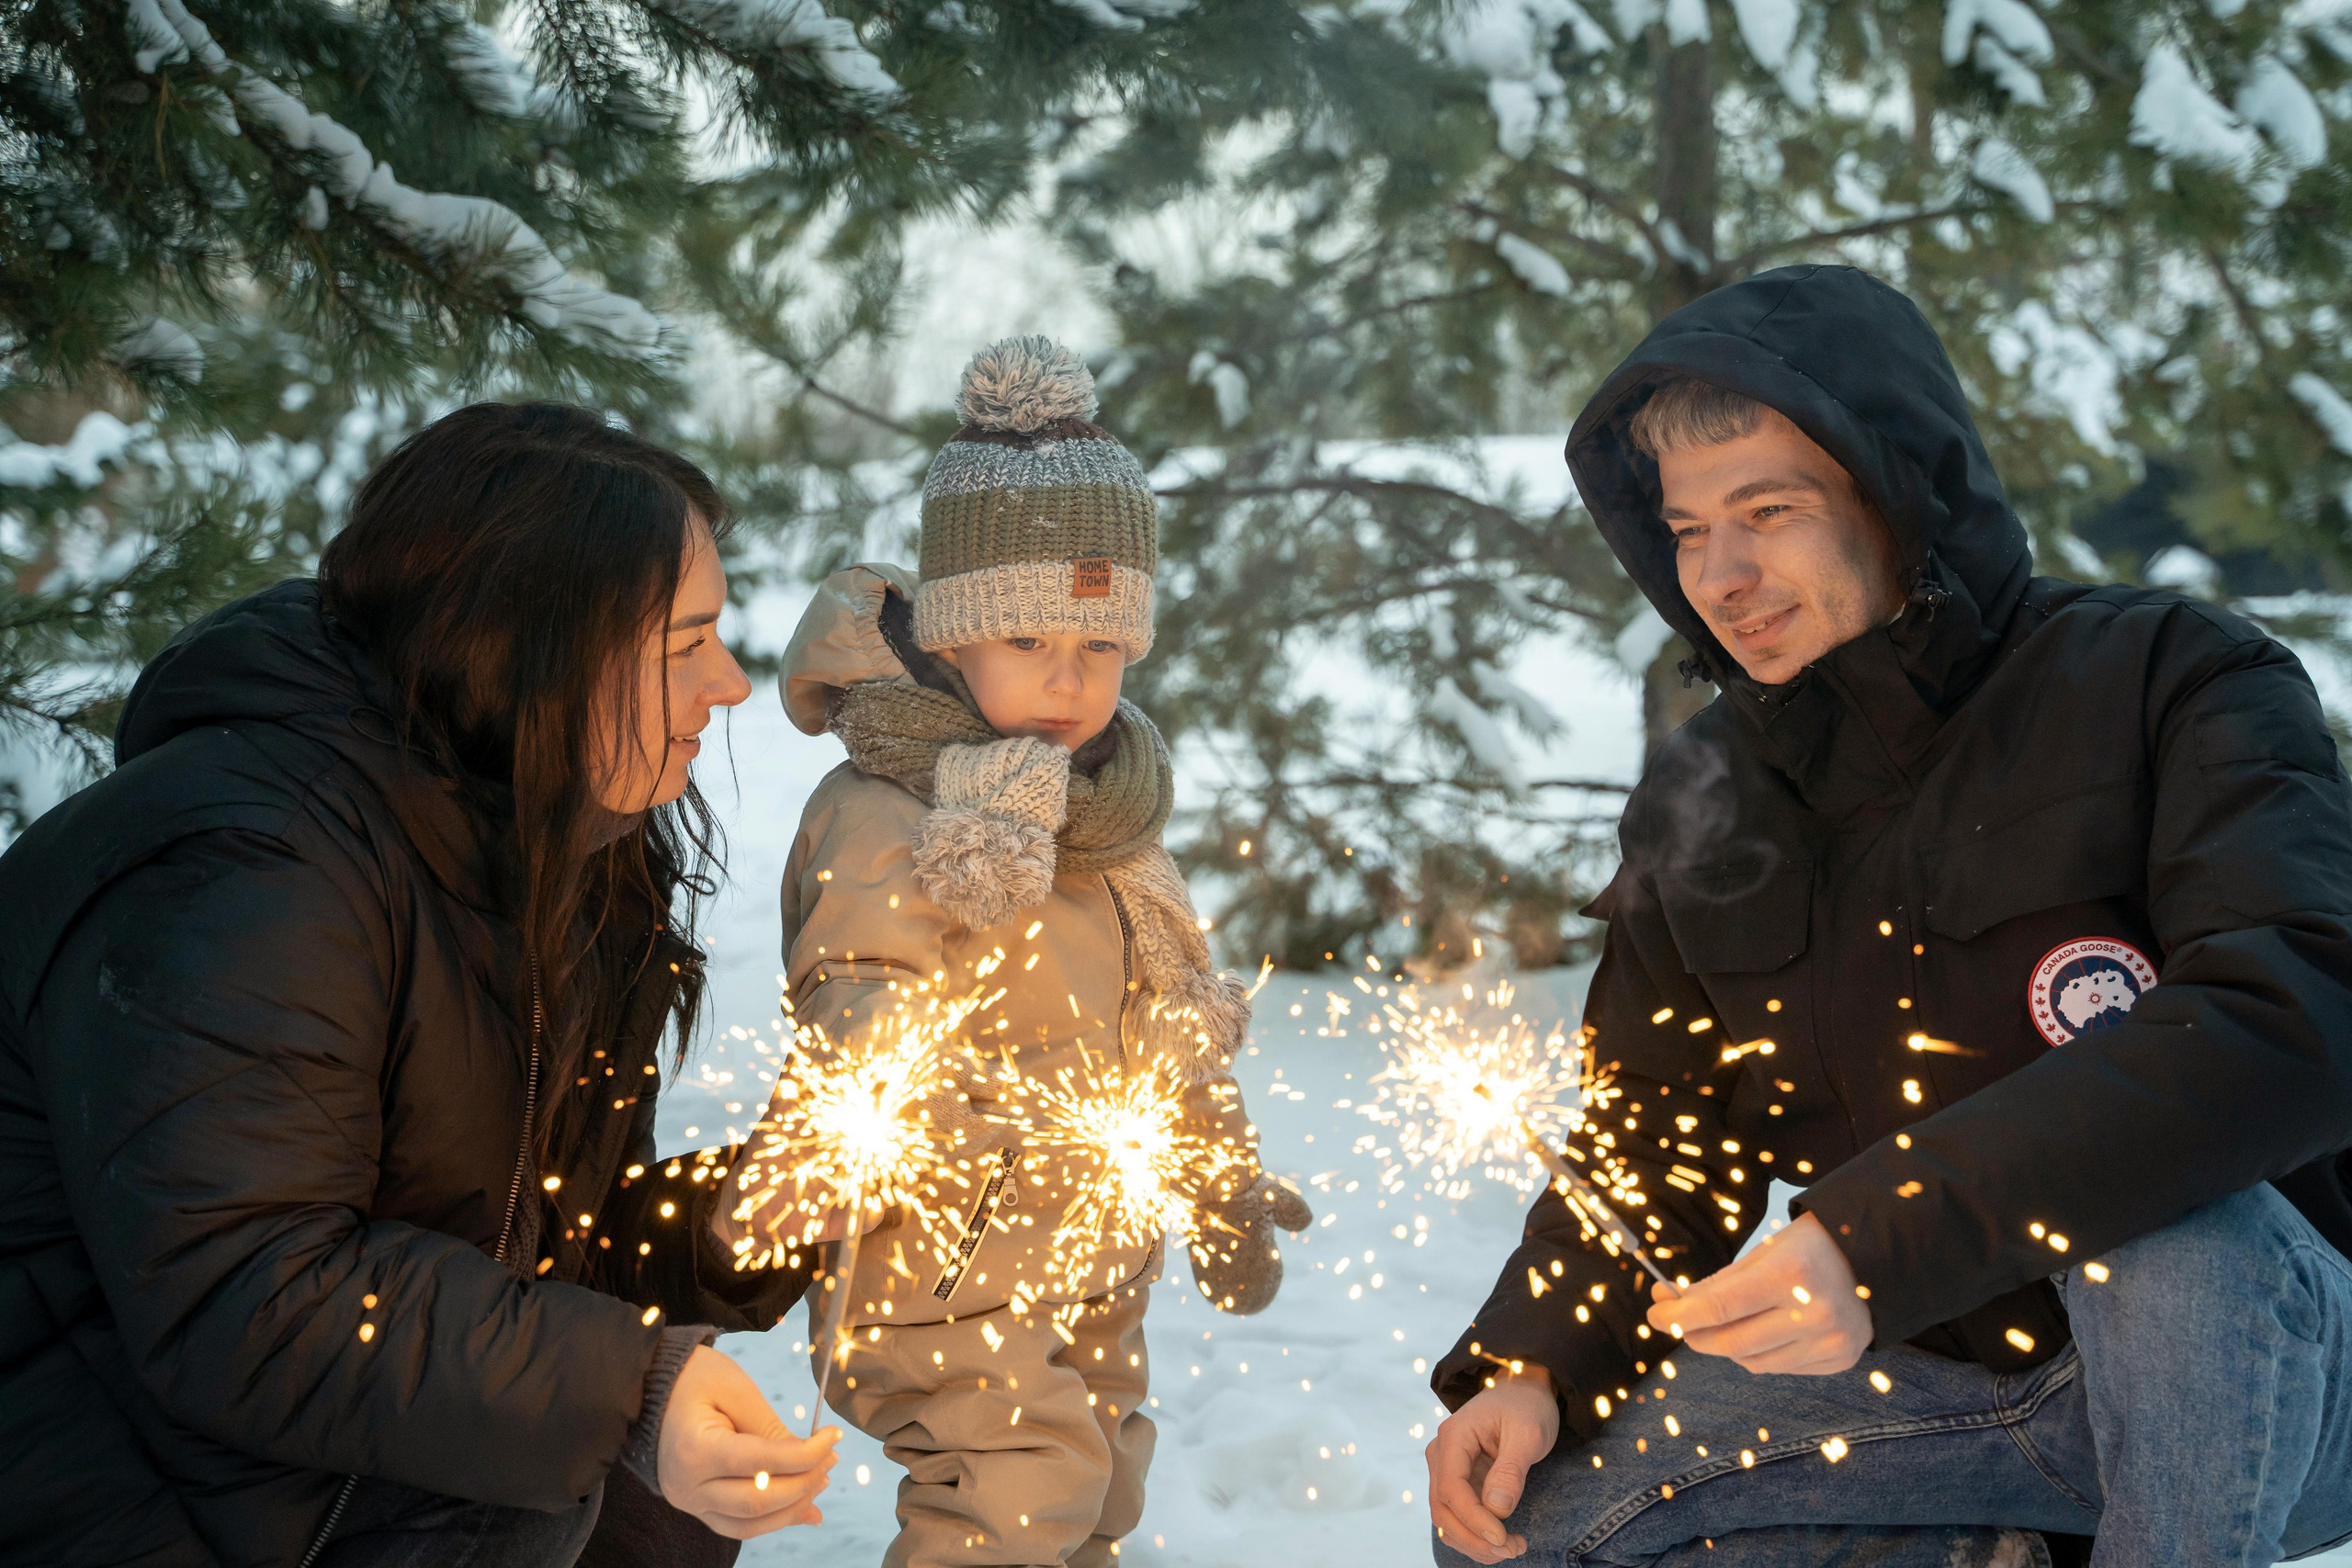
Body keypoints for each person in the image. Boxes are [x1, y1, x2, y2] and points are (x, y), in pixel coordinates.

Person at [1422, 265, 2352, 1566]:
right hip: (1948, 1390)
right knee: (1532, 1517)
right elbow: (1657, 1126)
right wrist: (1532, 1361)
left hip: (2275, 1369)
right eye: (1689, 529)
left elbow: (2296, 1010)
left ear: (1896, 497)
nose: (1724, 575)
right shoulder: (1707, 795)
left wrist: (1874, 1240)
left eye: (1769, 509)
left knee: (2167, 1236)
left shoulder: (2172, 678)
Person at [0, 404, 836, 1567]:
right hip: (108, 1468)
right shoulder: (252, 866)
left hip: (265, 1445)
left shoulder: (555, 842)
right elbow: (244, 1293)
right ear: (533, 654)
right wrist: (628, 1388)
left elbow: (521, 1244)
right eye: (682, 645)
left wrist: (736, 1226)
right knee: (557, 1494)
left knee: (645, 1515)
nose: (731, 685)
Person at [745, 335, 1312, 1568]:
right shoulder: (892, 810)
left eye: (1100, 648)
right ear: (953, 639)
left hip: (1087, 1252)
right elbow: (860, 991)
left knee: (1097, 1482)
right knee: (1019, 1490)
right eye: (1032, 644)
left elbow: (1171, 1025)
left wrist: (1219, 1183)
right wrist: (829, 1140)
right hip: (936, 1253)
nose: (1070, 678)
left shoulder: (1113, 830)